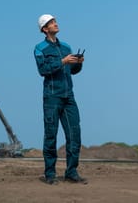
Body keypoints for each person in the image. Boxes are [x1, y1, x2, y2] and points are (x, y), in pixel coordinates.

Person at [34, 14, 87, 185]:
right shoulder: (40, 48)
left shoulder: (66, 46)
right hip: (51, 97)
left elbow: (72, 71)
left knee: (75, 135)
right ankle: (50, 174)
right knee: (51, 136)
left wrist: (78, 63)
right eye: (51, 23)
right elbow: (43, 70)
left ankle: (71, 172)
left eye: (55, 21)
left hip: (68, 96)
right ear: (44, 29)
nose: (55, 24)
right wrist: (62, 61)